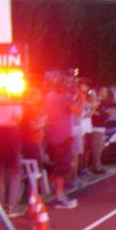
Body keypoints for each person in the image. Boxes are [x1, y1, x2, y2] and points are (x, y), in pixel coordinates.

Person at [43, 74, 79, 209]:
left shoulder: (48, 96)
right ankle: (58, 196)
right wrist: (81, 98)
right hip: (63, 136)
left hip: (53, 135)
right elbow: (78, 111)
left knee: (58, 166)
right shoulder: (62, 97)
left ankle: (55, 193)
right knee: (62, 167)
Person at [0, 103, 23, 216]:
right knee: (15, 171)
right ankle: (11, 206)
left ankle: (0, 205)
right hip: (11, 132)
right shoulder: (13, 98)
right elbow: (17, 117)